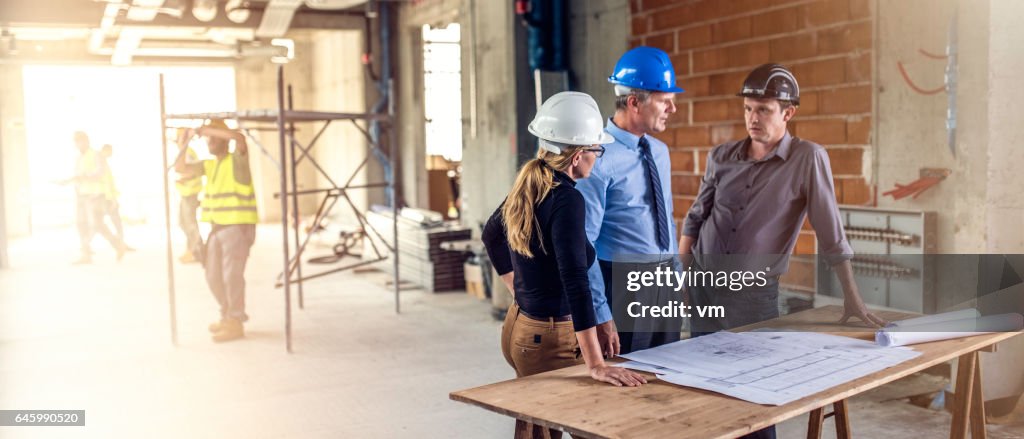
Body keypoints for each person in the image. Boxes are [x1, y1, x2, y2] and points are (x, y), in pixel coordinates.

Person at [679, 64, 885, 439]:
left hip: (753, 295)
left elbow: (831, 235)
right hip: (702, 285)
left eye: (764, 109)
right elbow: (695, 217)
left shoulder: (807, 158)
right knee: (705, 387)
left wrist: (853, 300)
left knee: (754, 394)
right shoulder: (721, 155)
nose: (752, 118)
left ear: (788, 113)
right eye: (747, 109)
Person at [482, 92, 648, 439]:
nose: (597, 158)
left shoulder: (530, 182)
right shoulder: (568, 199)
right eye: (595, 150)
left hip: (520, 329)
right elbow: (575, 281)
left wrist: (517, 288)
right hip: (549, 340)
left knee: (535, 425)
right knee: (586, 425)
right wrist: (597, 365)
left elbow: (491, 235)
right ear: (576, 156)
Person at [574, 46, 684, 355]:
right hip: (623, 286)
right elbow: (584, 244)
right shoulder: (597, 158)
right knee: (629, 382)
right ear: (634, 102)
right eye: (665, 101)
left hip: (664, 283)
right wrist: (601, 312)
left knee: (671, 374)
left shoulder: (660, 152)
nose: (672, 109)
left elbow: (666, 215)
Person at [174, 119, 257, 343]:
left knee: (232, 276)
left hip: (237, 227)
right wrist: (185, 140)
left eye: (213, 137)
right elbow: (180, 168)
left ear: (223, 139)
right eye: (208, 138)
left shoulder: (237, 161)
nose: (209, 141)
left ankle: (235, 321)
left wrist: (204, 130)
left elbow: (239, 138)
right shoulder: (209, 165)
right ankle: (227, 315)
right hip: (217, 228)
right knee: (213, 276)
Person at [63, 131, 126, 264]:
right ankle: (88, 253)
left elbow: (101, 173)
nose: (79, 144)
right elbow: (77, 176)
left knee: (96, 225)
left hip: (96, 196)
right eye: (77, 142)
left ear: (87, 141)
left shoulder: (96, 155)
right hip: (82, 195)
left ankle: (114, 246)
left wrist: (85, 176)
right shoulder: (78, 158)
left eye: (81, 141)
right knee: (81, 224)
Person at [173, 131, 204, 264]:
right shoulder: (183, 152)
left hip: (190, 193)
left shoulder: (188, 153)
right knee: (183, 223)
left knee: (190, 224)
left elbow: (192, 172)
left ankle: (197, 251)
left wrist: (182, 179)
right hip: (185, 193)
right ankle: (193, 250)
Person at [98, 144, 134, 251]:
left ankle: (120, 244)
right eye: (111, 151)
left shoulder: (103, 163)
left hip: (106, 198)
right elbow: (107, 184)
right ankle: (120, 245)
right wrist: (113, 200)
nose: (112, 154)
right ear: (106, 150)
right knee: (115, 223)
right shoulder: (101, 163)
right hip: (107, 199)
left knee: (114, 223)